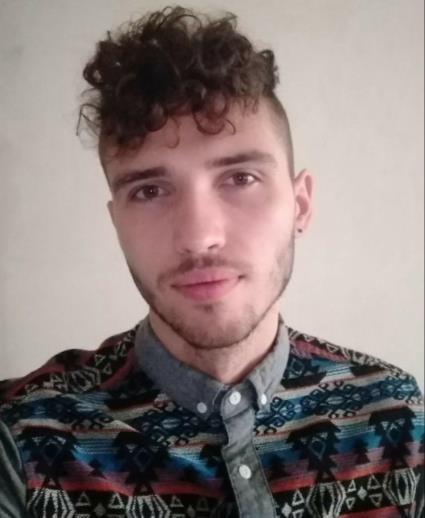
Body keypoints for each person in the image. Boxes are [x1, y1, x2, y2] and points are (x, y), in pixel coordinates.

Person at [0, 6, 423, 518]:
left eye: (241, 178)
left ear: (300, 206)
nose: (199, 237)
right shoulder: (23, 434)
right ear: (117, 223)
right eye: (149, 190)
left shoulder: (399, 416)